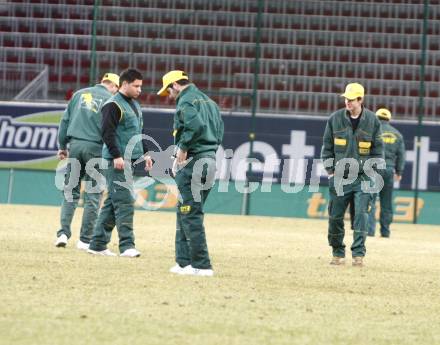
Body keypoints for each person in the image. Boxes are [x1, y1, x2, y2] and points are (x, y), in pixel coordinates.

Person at [157, 70, 224, 276]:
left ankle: (202, 265)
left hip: (193, 163)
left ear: (175, 85)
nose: (169, 96)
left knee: (190, 214)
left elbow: (194, 125)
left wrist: (183, 148)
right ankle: (183, 262)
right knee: (185, 211)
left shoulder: (186, 101)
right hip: (209, 161)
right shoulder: (211, 103)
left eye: (169, 91)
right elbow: (219, 131)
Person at [87, 68, 153, 257]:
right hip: (117, 161)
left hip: (127, 160)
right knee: (124, 202)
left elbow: (138, 131)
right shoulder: (113, 105)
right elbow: (107, 132)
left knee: (112, 203)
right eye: (136, 86)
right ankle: (127, 246)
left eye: (141, 86)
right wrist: (116, 156)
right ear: (124, 84)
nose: (140, 89)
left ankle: (97, 244)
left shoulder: (134, 104)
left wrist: (146, 153)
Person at [321, 83, 384, 267]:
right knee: (335, 217)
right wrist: (330, 171)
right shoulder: (335, 119)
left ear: (360, 100)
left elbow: (378, 151)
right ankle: (337, 252)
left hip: (364, 177)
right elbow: (327, 148)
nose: (347, 102)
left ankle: (358, 255)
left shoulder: (373, 121)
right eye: (346, 99)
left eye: (351, 99)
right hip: (340, 177)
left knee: (361, 216)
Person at [55, 72, 120, 249]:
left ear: (102, 81)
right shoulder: (113, 100)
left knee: (71, 192)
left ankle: (62, 234)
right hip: (96, 149)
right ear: (114, 86)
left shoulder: (78, 94)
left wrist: (62, 146)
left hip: (75, 146)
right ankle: (85, 239)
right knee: (93, 194)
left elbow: (64, 122)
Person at [368, 108, 405, 238]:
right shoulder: (397, 135)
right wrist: (399, 171)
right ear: (389, 119)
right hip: (389, 170)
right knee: (386, 202)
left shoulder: (371, 131)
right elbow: (401, 155)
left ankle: (370, 231)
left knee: (370, 200)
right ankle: (385, 231)